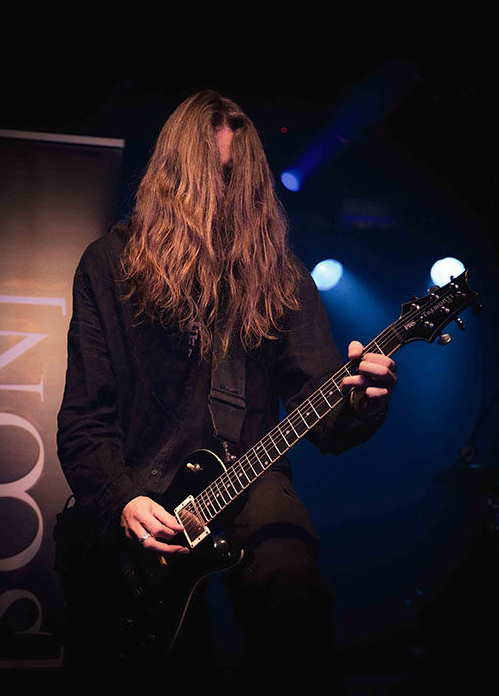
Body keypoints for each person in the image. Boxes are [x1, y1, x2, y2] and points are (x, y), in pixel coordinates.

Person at [55, 90, 397, 694]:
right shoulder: (109, 264)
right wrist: (123, 499)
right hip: (140, 486)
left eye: (235, 178)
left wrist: (364, 401)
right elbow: (84, 419)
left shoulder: (280, 276)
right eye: (207, 176)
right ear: (171, 177)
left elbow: (325, 415)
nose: (221, 193)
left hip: (246, 477)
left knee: (292, 582)